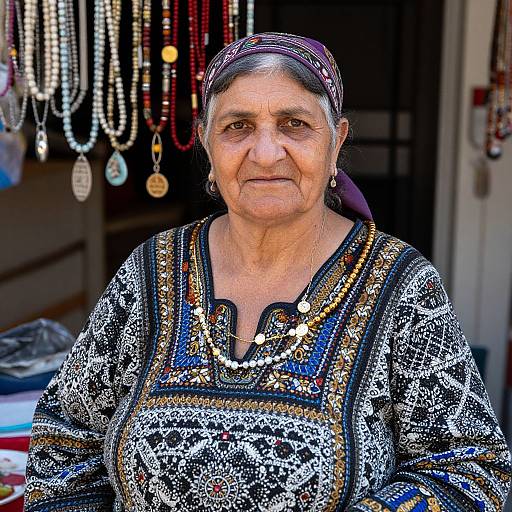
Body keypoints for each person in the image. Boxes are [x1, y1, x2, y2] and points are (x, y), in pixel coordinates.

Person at [25, 32, 511, 512]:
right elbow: (67, 441)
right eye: (237, 126)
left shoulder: (400, 284)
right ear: (206, 145)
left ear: (336, 141)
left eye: (294, 123)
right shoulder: (152, 269)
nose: (264, 152)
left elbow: (472, 470)